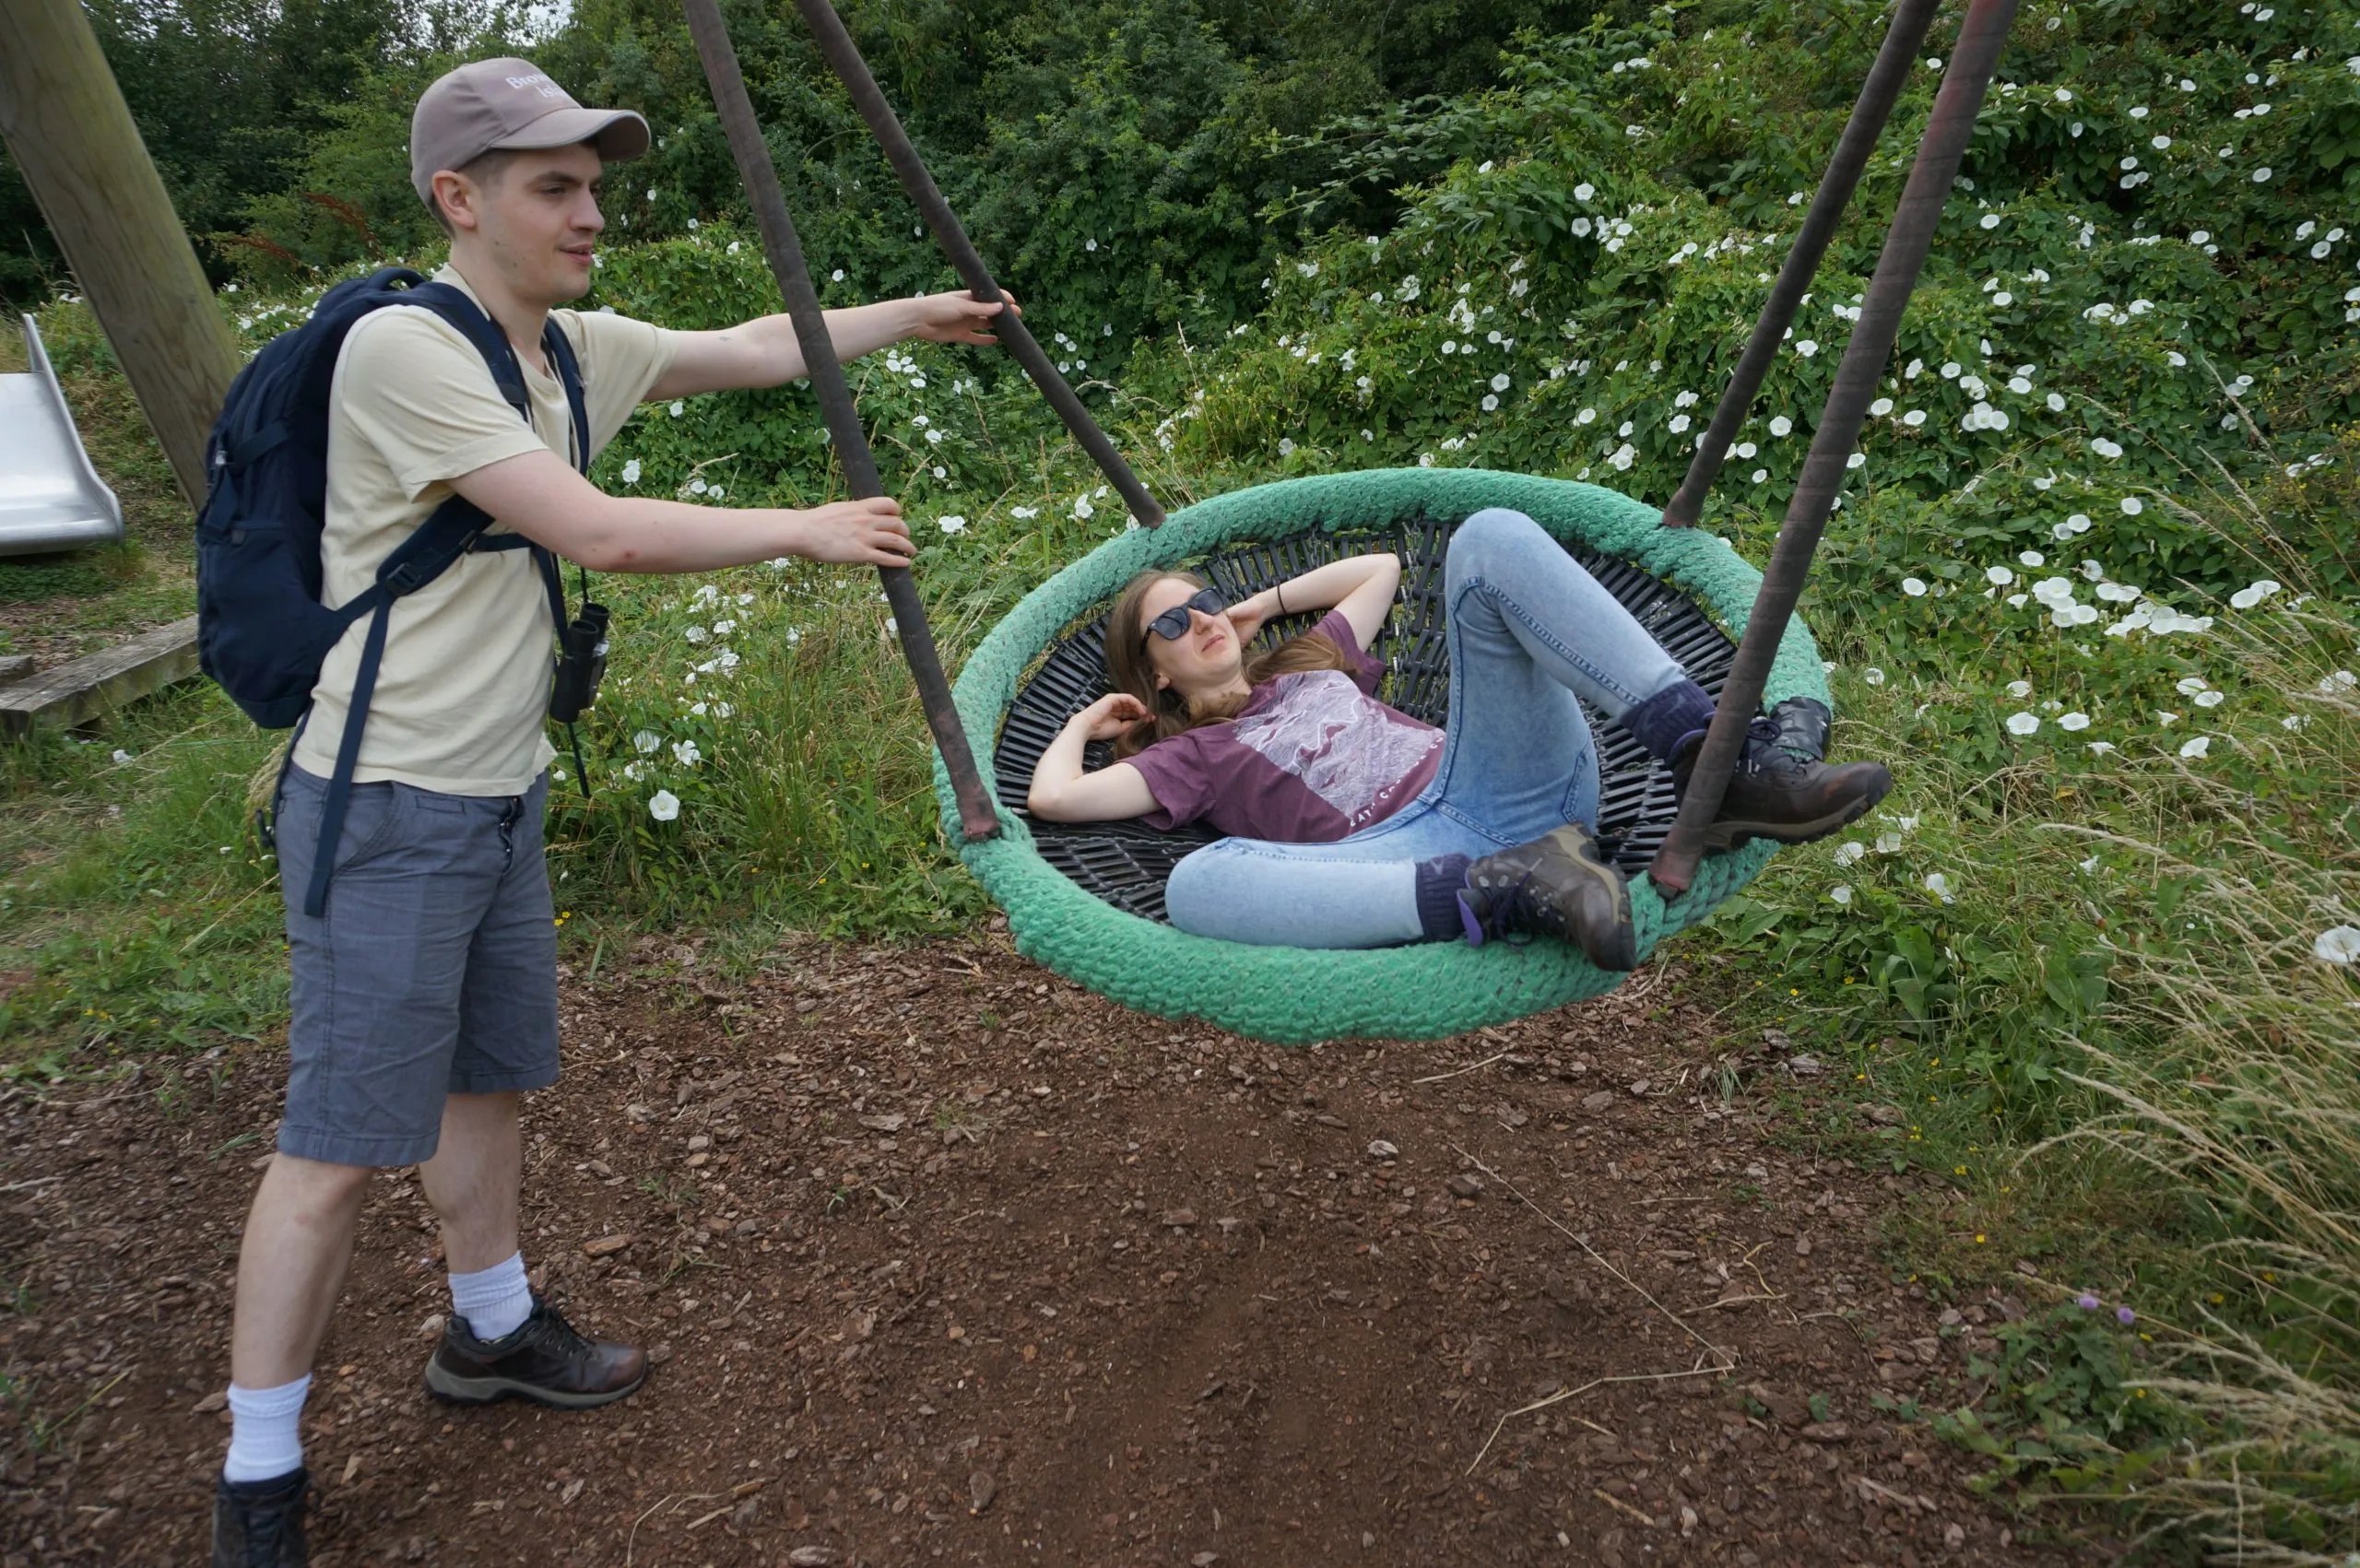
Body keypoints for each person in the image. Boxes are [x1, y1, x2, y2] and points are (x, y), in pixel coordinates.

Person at [210, 58, 1015, 1565]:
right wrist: (805, 530)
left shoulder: (568, 346)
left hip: (495, 787)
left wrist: (921, 316)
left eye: (594, 183)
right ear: (460, 199)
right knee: (334, 1147)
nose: (590, 212)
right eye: (552, 186)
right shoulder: (403, 348)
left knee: (486, 1083)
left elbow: (759, 344)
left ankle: (492, 1329)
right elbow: (595, 532)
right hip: (383, 799)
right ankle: (258, 1475)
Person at [1028, 507, 1892, 964]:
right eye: (1171, 624)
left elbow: (1382, 570)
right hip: (1413, 856)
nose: (1200, 620)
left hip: (1507, 781)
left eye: (1203, 600)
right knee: (1197, 885)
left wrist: (1267, 604)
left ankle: (1714, 762)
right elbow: (1055, 799)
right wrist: (1086, 720)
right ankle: (1504, 887)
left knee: (1486, 539)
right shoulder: (1190, 757)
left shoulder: (1303, 661)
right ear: (1156, 674)